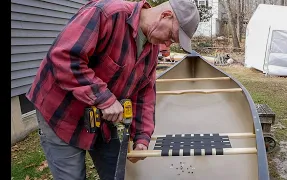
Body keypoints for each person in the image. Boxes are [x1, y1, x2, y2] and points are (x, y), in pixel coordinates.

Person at [25, 0, 200, 179]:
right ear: (165, 15)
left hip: (101, 119)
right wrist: (105, 99)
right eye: (171, 36)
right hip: (61, 112)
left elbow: (145, 92)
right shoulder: (107, 14)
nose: (168, 44)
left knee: (117, 173)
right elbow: (64, 57)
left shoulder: (152, 48)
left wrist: (141, 136)